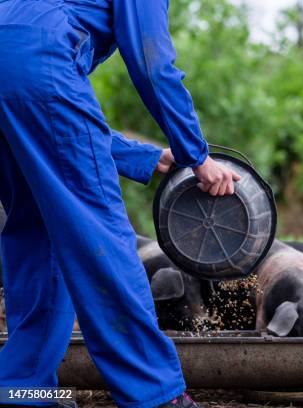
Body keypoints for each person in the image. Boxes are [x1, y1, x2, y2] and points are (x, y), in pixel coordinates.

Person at [0, 0, 240, 407]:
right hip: (37, 68)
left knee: (36, 234)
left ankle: (19, 391)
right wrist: (196, 155)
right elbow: (151, 61)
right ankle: (154, 395)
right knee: (103, 238)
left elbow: (33, 88)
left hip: (18, 69)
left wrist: (146, 156)